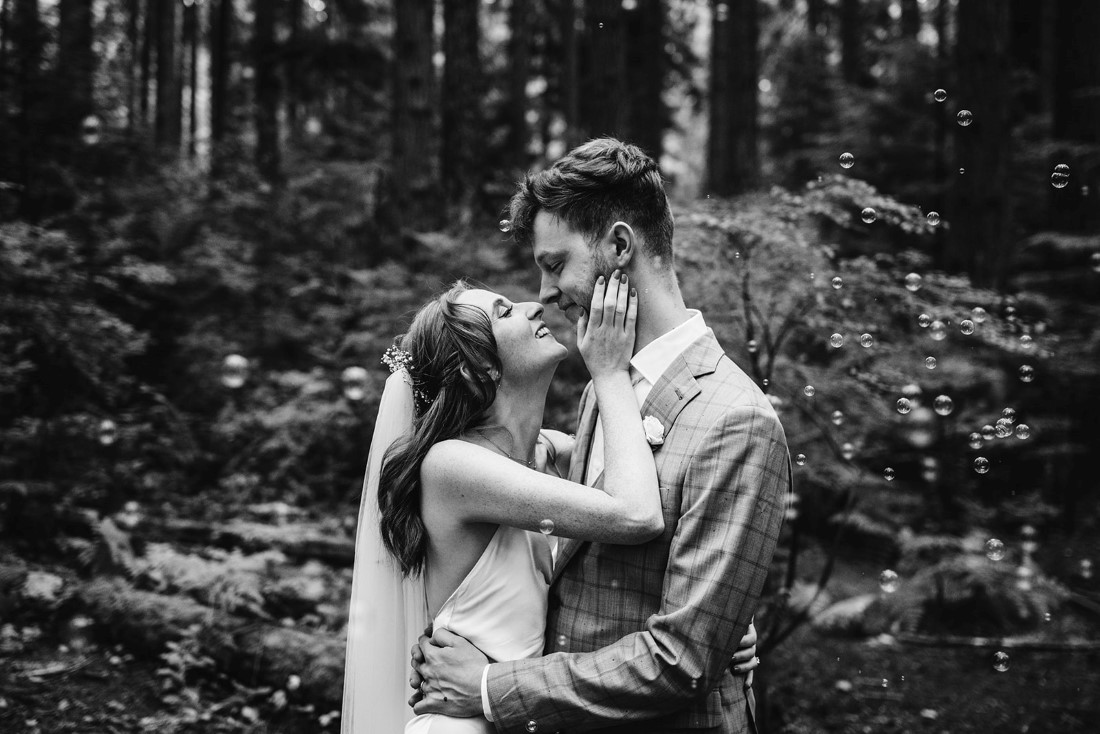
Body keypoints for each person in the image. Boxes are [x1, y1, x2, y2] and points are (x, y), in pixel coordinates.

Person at [408, 138, 791, 734]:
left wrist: (722, 627)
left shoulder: (735, 419)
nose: (542, 294)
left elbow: (681, 660)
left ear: (618, 246)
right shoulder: (601, 388)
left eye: (555, 264)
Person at [343, 272, 683, 734]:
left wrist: (709, 628)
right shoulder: (453, 466)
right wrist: (608, 371)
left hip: (523, 710)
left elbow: (654, 496)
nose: (533, 306)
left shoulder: (546, 454)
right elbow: (636, 514)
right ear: (478, 368)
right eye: (504, 312)